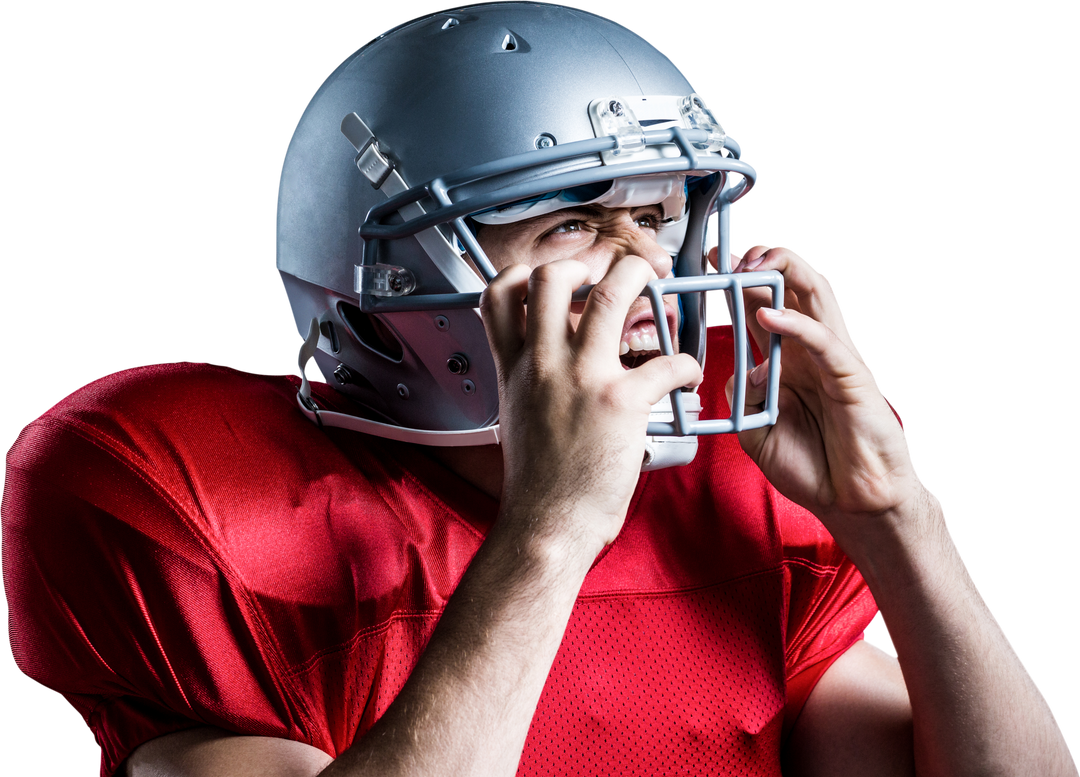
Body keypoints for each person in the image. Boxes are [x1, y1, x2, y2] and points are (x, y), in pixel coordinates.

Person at [2, 3, 1074, 776]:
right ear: (393, 277)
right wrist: (550, 533)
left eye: (658, 216)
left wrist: (899, 520)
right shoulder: (182, 497)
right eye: (570, 223)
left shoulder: (727, 493)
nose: (648, 270)